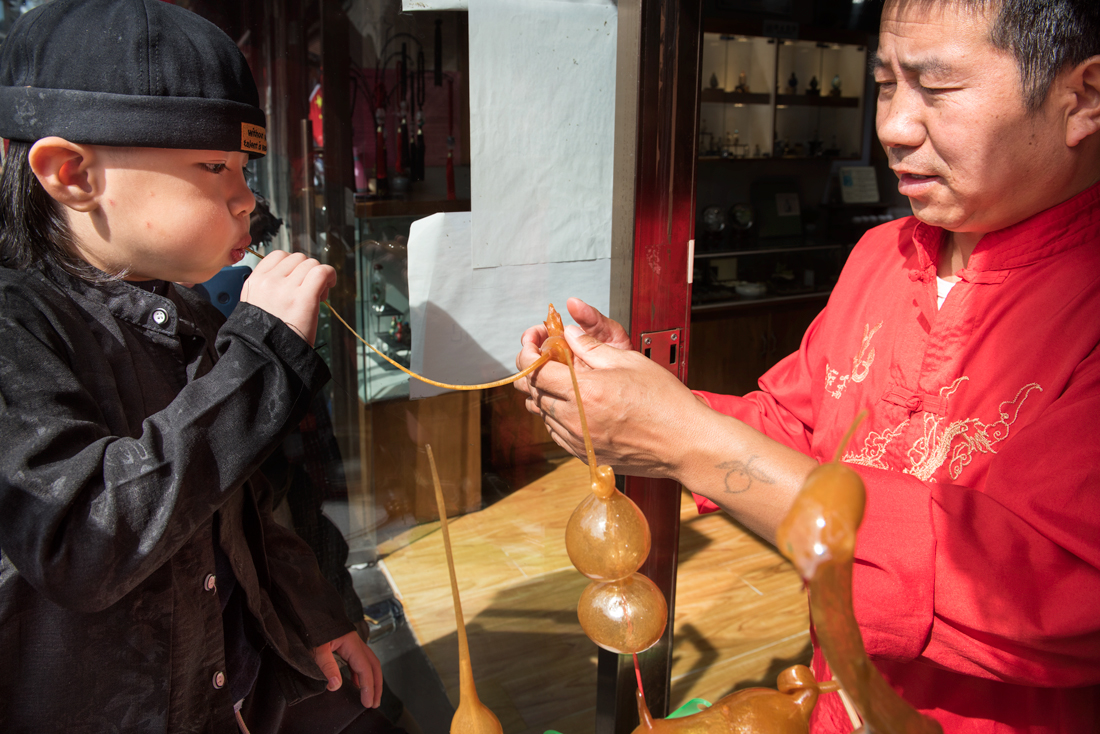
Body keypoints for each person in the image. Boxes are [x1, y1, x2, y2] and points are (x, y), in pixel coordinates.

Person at [515, 0, 1100, 730]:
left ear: (1082, 99)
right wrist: (643, 400)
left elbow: (1045, 592)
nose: (893, 126)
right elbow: (793, 427)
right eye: (885, 85)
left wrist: (686, 440)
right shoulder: (882, 256)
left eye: (937, 88)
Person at [0, 1, 405, 732]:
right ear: (71, 173)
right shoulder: (15, 327)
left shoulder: (179, 308)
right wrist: (262, 356)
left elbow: (244, 502)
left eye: (243, 170)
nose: (247, 199)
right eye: (213, 168)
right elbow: (85, 541)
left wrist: (314, 614)